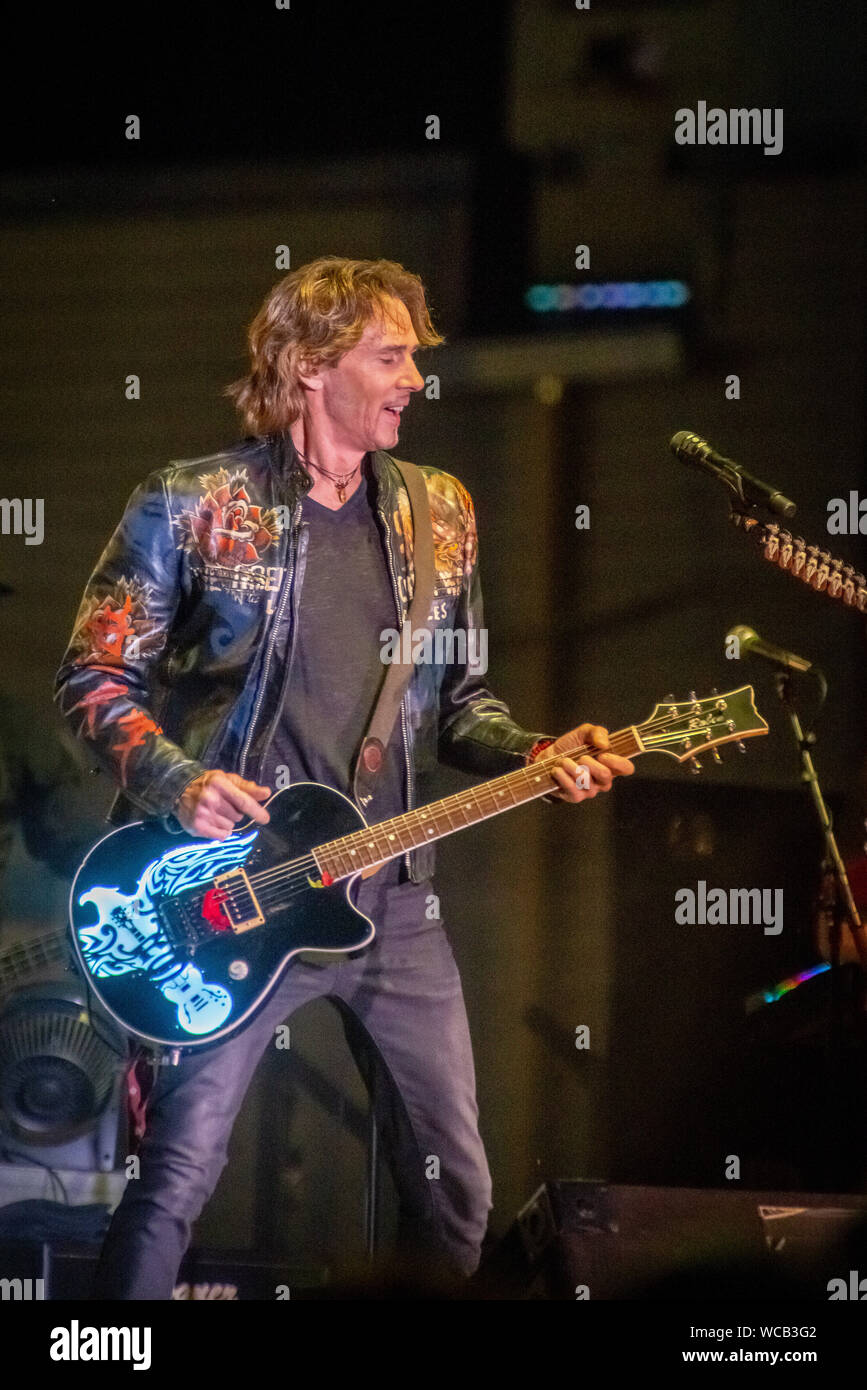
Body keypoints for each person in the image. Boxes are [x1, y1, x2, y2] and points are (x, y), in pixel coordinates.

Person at [54, 256, 634, 1299]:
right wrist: (182, 782)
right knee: (177, 1178)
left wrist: (539, 754)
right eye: (392, 355)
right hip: (223, 894)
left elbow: (462, 707)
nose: (416, 377)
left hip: (391, 903)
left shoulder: (439, 514)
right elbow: (93, 677)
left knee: (457, 1190)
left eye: (416, 355)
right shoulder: (192, 504)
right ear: (312, 366)